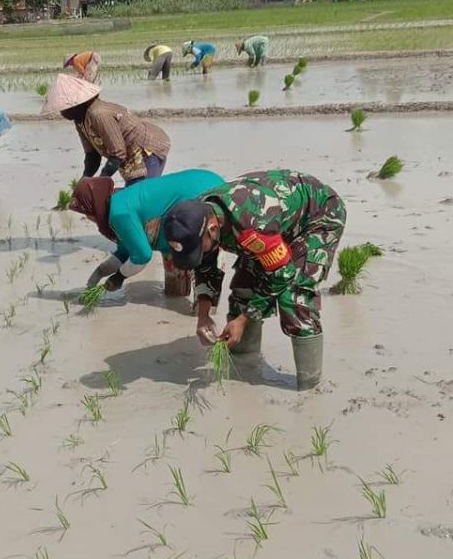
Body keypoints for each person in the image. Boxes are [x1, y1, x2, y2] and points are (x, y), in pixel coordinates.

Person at [163, 171, 346, 390]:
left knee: (295, 299)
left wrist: (242, 321)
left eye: (197, 248)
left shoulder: (251, 224)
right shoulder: (197, 218)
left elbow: (282, 273)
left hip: (317, 217)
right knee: (243, 289)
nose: (197, 253)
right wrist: (203, 315)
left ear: (213, 229)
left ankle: (310, 386)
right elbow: (206, 266)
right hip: (276, 226)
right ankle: (244, 366)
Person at [70, 169, 225, 298]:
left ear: (93, 206)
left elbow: (142, 256)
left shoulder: (119, 214)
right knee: (175, 293)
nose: (88, 218)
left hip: (205, 196)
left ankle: (205, 313)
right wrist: (101, 271)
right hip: (202, 182)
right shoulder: (118, 201)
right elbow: (127, 249)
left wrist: (120, 277)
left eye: (86, 213)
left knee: (204, 277)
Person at [48, 73, 170, 185]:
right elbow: (92, 155)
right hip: (129, 156)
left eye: (64, 108)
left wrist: (101, 180)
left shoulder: (98, 114)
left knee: (143, 196)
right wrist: (85, 179)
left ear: (76, 104)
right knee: (133, 196)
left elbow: (118, 152)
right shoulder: (80, 121)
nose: (62, 113)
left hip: (147, 147)